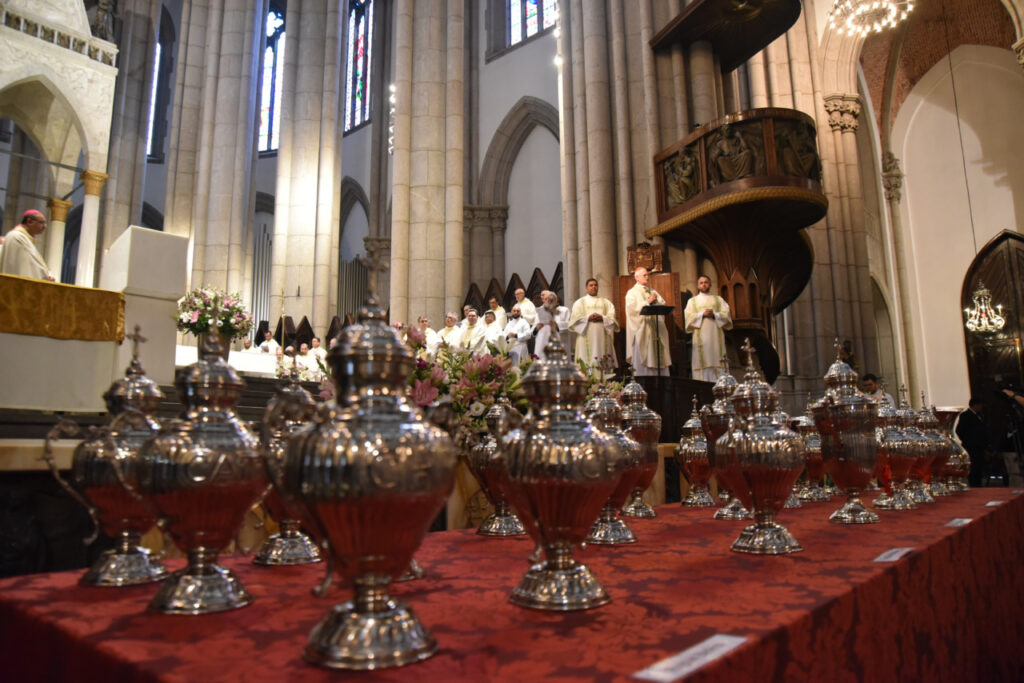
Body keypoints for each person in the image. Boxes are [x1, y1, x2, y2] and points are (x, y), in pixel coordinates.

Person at [683, 274, 733, 382]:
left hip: (716, 339)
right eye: (701, 283)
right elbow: (688, 318)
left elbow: (727, 315)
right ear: (697, 286)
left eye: (706, 282)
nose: (704, 285)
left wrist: (714, 314)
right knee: (702, 364)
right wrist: (702, 314)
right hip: (701, 341)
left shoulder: (718, 300)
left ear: (710, 284)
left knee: (718, 361)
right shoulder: (692, 302)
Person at [569, 278, 619, 378]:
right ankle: (588, 382)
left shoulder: (606, 303)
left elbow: (612, 317)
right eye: (591, 285)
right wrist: (588, 318)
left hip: (602, 337)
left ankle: (605, 383)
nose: (594, 287)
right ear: (586, 288)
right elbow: (575, 319)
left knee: (602, 358)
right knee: (587, 361)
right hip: (586, 337)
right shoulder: (579, 303)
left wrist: (602, 317)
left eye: (595, 285)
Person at [625, 267, 671, 376]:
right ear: (637, 278)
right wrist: (647, 302)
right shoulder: (632, 293)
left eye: (647, 275)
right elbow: (632, 310)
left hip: (656, 328)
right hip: (642, 330)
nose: (647, 277)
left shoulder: (653, 291)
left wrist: (655, 302)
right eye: (644, 275)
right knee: (645, 355)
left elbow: (662, 304)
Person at [0, 209, 55, 281]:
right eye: (41, 223)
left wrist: (48, 274)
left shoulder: (26, 239)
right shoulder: (17, 237)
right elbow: (28, 267)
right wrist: (46, 276)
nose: (45, 227)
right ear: (29, 221)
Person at [956, 397, 989, 487]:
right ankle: (974, 485)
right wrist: (969, 441)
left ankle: (978, 484)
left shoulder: (980, 415)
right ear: (975, 405)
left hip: (979, 447)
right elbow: (959, 430)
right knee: (973, 468)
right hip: (971, 447)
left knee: (979, 468)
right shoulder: (965, 415)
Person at [534, 290, 570, 359]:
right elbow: (533, 329)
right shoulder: (540, 311)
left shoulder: (564, 310)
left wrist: (556, 325)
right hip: (541, 341)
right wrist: (536, 328)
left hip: (557, 341)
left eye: (550, 298)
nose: (548, 301)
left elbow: (568, 325)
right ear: (543, 300)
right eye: (545, 299)